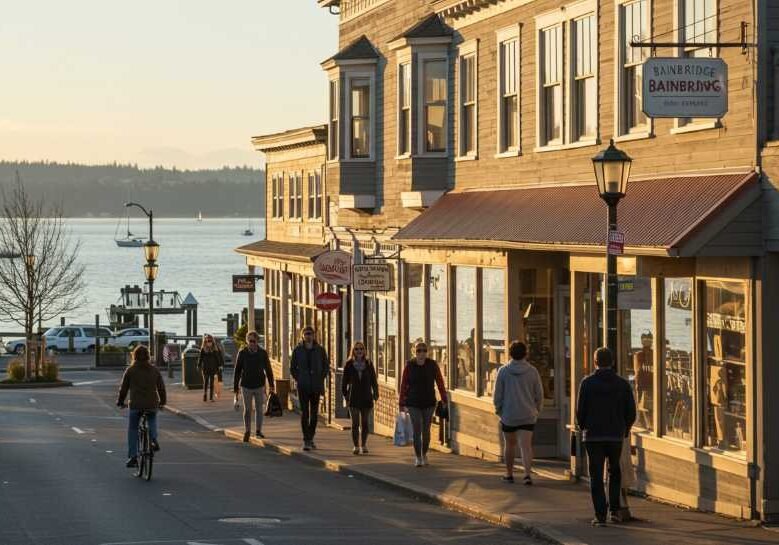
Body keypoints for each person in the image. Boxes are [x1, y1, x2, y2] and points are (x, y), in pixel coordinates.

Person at [576, 347, 637, 526]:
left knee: (596, 475)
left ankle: (600, 515)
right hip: (615, 436)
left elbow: (580, 411)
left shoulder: (587, 383)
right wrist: (624, 429)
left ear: (595, 362)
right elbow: (631, 412)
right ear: (612, 362)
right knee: (614, 472)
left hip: (593, 435)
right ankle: (615, 511)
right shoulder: (623, 384)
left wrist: (583, 427)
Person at [493, 340, 543, 485]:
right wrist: (537, 410)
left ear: (510, 354)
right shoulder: (532, 371)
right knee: (526, 446)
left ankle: (509, 474)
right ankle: (527, 474)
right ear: (525, 354)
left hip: (509, 414)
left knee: (509, 445)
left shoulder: (503, 371)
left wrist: (499, 410)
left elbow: (498, 395)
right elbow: (539, 394)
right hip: (527, 414)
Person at [116, 345, 166, 468]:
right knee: (152, 419)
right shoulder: (154, 370)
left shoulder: (130, 370)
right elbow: (161, 388)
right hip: (151, 403)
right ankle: (153, 439)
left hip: (136, 405)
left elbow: (124, 389)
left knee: (133, 429)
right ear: (148, 356)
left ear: (134, 356)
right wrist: (162, 402)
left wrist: (120, 401)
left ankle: (133, 457)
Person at [399, 341, 447, 467]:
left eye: (424, 350)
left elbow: (440, 382)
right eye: (418, 350)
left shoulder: (432, 365)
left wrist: (444, 399)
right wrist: (401, 402)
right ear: (414, 352)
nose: (421, 353)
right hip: (413, 403)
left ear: (427, 352)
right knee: (417, 430)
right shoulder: (409, 366)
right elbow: (403, 385)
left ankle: (424, 453)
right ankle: (418, 457)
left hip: (429, 402)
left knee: (426, 431)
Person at [290, 325, 330, 451]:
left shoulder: (320, 350)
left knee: (314, 414)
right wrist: (299, 378)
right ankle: (306, 440)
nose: (308, 336)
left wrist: (320, 378)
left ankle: (311, 438)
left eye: (310, 334)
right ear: (302, 335)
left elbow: (326, 366)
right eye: (306, 334)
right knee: (304, 413)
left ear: (314, 335)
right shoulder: (297, 350)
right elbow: (292, 368)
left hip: (315, 386)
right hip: (303, 386)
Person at [233, 330, 275, 442]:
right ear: (247, 341)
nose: (252, 343)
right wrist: (235, 388)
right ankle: (247, 430)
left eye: (254, 341)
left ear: (257, 341)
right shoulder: (242, 353)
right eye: (250, 341)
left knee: (259, 409)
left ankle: (258, 431)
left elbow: (268, 369)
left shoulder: (262, 353)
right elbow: (237, 371)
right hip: (246, 385)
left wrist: (271, 385)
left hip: (259, 385)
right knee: (247, 409)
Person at [342, 341, 379, 454]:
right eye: (357, 349)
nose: (359, 351)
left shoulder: (368, 364)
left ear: (364, 351)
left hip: (366, 397)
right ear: (353, 351)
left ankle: (363, 444)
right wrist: (345, 395)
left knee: (365, 422)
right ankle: (356, 446)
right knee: (355, 423)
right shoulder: (349, 364)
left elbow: (373, 380)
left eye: (361, 349)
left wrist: (376, 393)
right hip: (353, 397)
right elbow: (344, 382)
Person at [197, 334, 224, 402]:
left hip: (213, 368)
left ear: (212, 341)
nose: (209, 342)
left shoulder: (215, 349)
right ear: (205, 342)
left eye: (210, 341)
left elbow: (218, 358)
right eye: (208, 341)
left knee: (212, 383)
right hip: (205, 368)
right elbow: (200, 358)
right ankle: (205, 394)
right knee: (206, 382)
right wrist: (198, 365)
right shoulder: (203, 349)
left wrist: (220, 365)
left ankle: (211, 397)